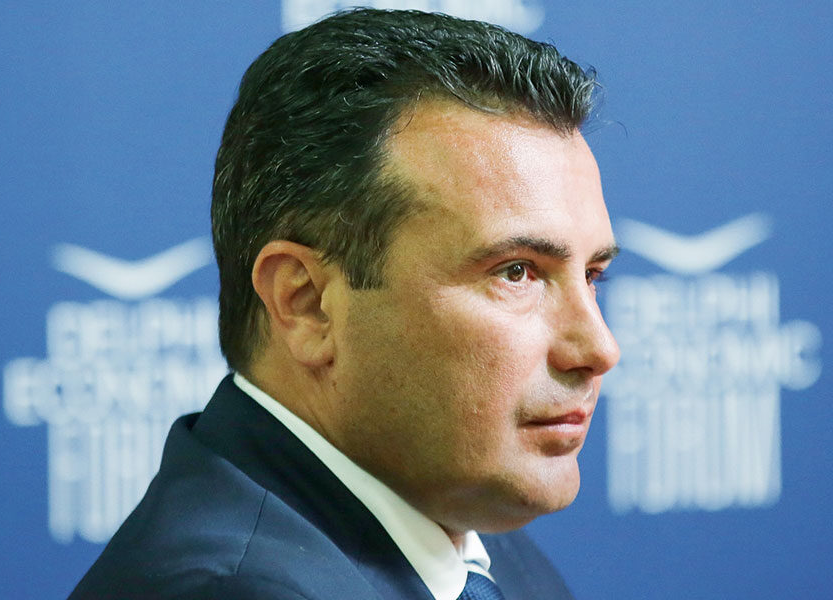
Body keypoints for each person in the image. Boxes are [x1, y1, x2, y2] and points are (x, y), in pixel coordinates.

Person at [69, 8, 620, 600]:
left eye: (592, 275)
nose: (599, 348)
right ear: (306, 304)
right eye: (517, 273)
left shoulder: (476, 547)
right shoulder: (235, 591)